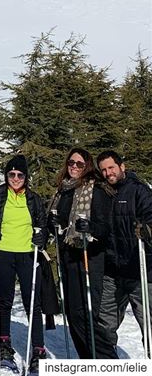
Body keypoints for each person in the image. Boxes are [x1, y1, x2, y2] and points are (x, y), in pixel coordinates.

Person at [0, 155, 46, 373]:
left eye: (20, 175)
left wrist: (42, 238)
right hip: (4, 252)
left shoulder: (33, 198)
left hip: (27, 253)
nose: (15, 178)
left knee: (32, 302)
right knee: (5, 300)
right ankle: (5, 344)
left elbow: (43, 226)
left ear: (26, 177)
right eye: (11, 174)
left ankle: (38, 349)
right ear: (6, 176)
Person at [47, 147, 113, 359]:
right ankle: (87, 360)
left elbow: (105, 226)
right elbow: (57, 223)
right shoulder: (63, 190)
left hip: (89, 256)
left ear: (87, 167)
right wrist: (53, 223)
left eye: (79, 164)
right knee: (73, 314)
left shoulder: (97, 189)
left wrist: (90, 228)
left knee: (85, 314)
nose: (74, 167)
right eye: (71, 163)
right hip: (68, 255)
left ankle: (106, 361)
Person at [96, 150, 152, 357]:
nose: (108, 173)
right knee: (104, 326)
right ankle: (107, 365)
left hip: (140, 270)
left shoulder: (138, 190)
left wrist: (147, 228)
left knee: (149, 324)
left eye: (111, 167)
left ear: (122, 167)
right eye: (103, 170)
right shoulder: (104, 193)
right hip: (113, 272)